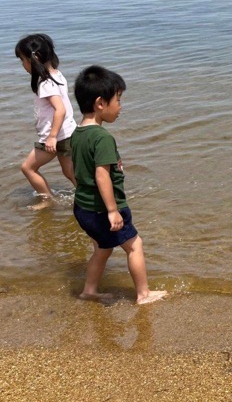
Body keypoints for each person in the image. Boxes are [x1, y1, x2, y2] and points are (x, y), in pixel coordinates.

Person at [70, 65, 167, 305]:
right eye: (119, 100)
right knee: (134, 245)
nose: (120, 107)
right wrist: (113, 210)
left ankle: (89, 291)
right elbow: (102, 175)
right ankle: (144, 294)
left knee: (102, 249)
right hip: (104, 209)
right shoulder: (102, 137)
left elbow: (78, 169)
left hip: (84, 207)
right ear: (100, 103)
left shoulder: (77, 134)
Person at [15, 34, 77, 207]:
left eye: (22, 60)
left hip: (55, 137)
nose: (23, 65)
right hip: (68, 133)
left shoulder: (45, 83)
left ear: (34, 58)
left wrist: (51, 136)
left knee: (28, 168)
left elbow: (60, 109)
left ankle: (47, 199)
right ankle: (90, 199)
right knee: (70, 172)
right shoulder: (57, 75)